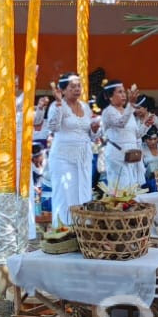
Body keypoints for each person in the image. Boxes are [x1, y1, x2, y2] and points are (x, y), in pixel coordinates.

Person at [45, 73, 99, 228]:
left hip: (83, 157)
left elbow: (92, 136)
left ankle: (81, 229)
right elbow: (53, 127)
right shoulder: (57, 106)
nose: (77, 89)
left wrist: (95, 130)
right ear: (63, 90)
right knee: (64, 194)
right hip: (63, 158)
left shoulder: (86, 107)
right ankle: (63, 230)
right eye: (72, 86)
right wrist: (58, 104)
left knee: (82, 193)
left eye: (79, 86)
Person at [99, 84, 150, 193]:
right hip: (117, 155)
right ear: (110, 96)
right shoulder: (108, 111)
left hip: (131, 157)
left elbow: (136, 135)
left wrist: (146, 125)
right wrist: (131, 105)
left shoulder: (129, 112)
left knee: (132, 190)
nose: (123, 95)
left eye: (123, 92)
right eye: (119, 92)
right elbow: (120, 123)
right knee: (121, 191)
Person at [140, 126, 158, 191]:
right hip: (148, 179)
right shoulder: (142, 150)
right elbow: (140, 169)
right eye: (150, 139)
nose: (153, 142)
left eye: (155, 139)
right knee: (155, 184)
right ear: (145, 139)